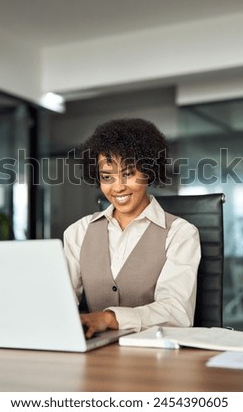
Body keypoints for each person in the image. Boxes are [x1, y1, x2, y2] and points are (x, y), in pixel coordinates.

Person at [63, 118, 201, 339]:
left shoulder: (180, 233)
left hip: (155, 358)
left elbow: (177, 312)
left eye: (128, 174)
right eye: (107, 177)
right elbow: (61, 301)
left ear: (148, 171)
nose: (118, 187)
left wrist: (109, 318)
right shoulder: (78, 232)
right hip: (94, 356)